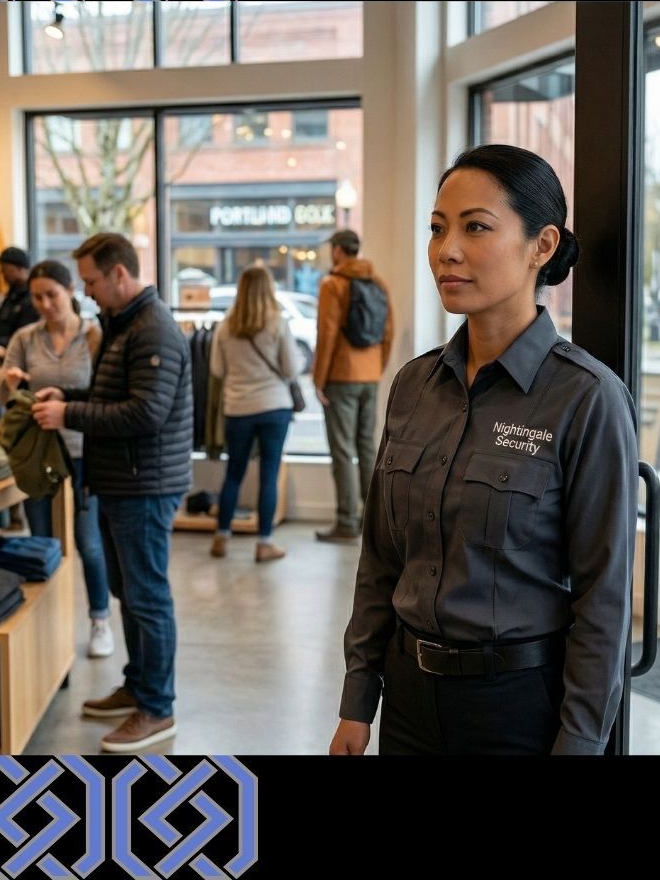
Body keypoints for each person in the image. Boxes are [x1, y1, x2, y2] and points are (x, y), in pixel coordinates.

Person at [329, 144, 638, 757]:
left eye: (476, 227)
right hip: (408, 700)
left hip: (519, 710)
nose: (446, 250)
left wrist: (580, 742)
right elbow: (381, 560)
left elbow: (603, 601)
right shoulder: (414, 386)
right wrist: (358, 698)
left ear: (542, 246)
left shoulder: (586, 398)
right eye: (438, 228)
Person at [31, 233, 193, 753]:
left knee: (147, 596)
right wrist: (68, 395)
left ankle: (158, 709)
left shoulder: (153, 330)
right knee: (130, 592)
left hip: (145, 484)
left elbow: (146, 413)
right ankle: (139, 685)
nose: (86, 291)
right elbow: (115, 397)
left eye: (91, 280)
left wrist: (69, 413)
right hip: (123, 480)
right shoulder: (124, 325)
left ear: (119, 274)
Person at [0, 259, 112, 659]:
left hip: (84, 453)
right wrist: (8, 383)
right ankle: (48, 625)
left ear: (70, 291)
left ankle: (100, 620)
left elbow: (102, 395)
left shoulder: (94, 337)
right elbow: (2, 397)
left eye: (51, 295)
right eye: (37, 297)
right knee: (41, 541)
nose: (44, 304)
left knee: (89, 542)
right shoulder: (25, 338)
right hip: (37, 456)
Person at [208, 265, 302, 562]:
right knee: (268, 475)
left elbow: (216, 369)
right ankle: (264, 543)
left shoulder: (226, 326)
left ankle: (222, 536)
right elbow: (290, 369)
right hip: (274, 407)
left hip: (238, 408)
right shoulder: (277, 323)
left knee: (233, 473)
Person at [312, 228, 394, 543]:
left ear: (337, 251)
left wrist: (319, 379)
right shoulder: (378, 282)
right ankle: (374, 523)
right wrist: (377, 367)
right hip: (369, 375)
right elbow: (388, 331)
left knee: (343, 451)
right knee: (367, 447)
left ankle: (347, 522)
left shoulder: (333, 285)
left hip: (341, 377)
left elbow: (327, 333)